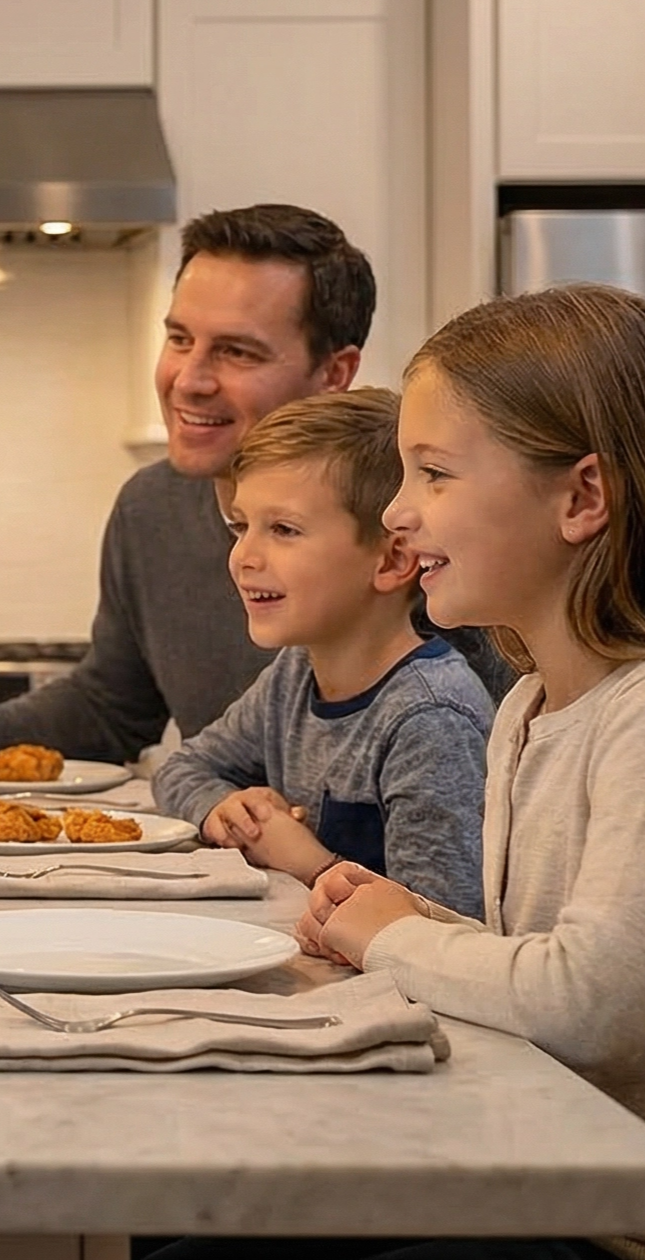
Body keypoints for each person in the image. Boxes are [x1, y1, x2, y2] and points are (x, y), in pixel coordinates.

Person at [286, 284, 645, 1260]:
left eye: (432, 472)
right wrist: (415, 920)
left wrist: (394, 941)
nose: (396, 511)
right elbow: (556, 956)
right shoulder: (529, 706)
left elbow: (590, 1004)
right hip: (568, 1200)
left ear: (582, 497)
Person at [0, 204, 382, 763]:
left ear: (335, 374)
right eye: (180, 340)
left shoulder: (401, 526)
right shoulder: (151, 508)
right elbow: (111, 708)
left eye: (236, 352)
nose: (189, 379)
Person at [148, 389, 491, 916]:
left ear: (393, 560)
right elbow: (182, 769)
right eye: (242, 526)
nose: (243, 557)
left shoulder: (431, 719)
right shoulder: (295, 674)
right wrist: (226, 808)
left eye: (283, 530)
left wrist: (310, 863)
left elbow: (446, 924)